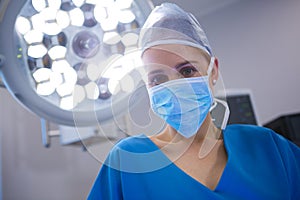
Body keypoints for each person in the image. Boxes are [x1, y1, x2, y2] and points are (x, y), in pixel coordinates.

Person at [88, 3, 300, 200]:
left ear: (213, 70)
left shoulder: (267, 148)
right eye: (158, 79)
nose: (174, 86)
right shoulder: (128, 161)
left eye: (187, 70)